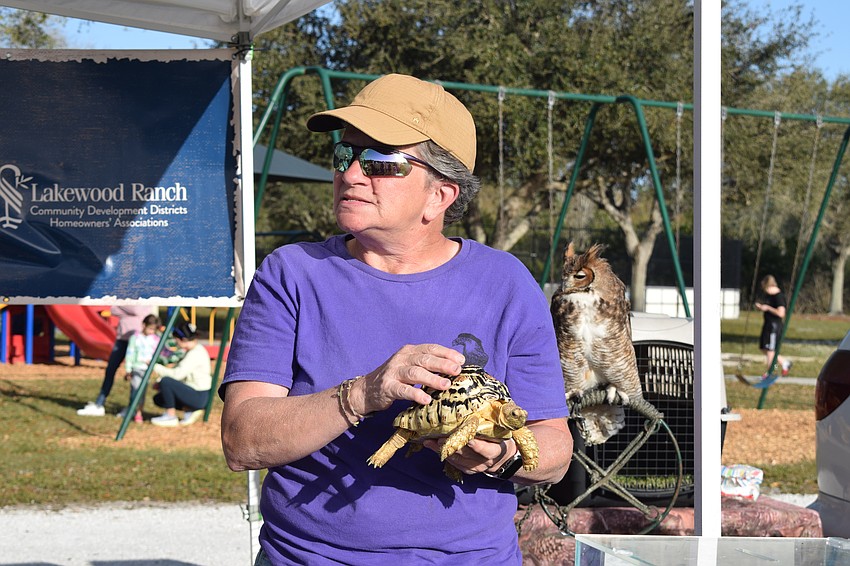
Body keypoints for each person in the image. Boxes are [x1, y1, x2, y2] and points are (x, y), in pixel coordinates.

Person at [219, 74, 573, 565]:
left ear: (440, 196)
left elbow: (555, 447)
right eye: (344, 156)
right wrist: (364, 393)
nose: (352, 173)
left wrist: (502, 456)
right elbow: (242, 440)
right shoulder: (292, 274)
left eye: (380, 161)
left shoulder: (506, 283)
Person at [77, 305, 158, 417]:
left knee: (136, 379)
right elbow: (113, 309)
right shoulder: (125, 295)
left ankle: (132, 408)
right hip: (122, 339)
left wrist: (123, 309)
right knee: (110, 370)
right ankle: (99, 404)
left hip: (138, 341)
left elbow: (136, 309)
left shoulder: (144, 295)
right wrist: (128, 310)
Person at [149, 322, 212, 427]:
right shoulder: (195, 350)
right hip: (197, 393)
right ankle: (190, 410)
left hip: (198, 396)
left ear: (183, 340)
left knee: (166, 381)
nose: (176, 343)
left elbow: (176, 375)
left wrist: (154, 366)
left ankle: (171, 416)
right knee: (159, 398)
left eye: (176, 340)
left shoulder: (195, 354)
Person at [119, 314, 161, 423]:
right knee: (135, 390)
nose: (152, 331)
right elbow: (130, 354)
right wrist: (128, 369)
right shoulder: (135, 338)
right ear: (144, 325)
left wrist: (154, 366)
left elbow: (158, 354)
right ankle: (132, 409)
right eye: (150, 328)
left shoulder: (156, 339)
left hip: (147, 369)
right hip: (137, 368)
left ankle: (138, 412)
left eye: (154, 329)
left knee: (142, 392)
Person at [754, 274, 792, 378]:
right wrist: (762, 307)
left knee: (771, 349)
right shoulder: (769, 296)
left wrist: (768, 308)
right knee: (764, 348)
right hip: (768, 324)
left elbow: (781, 313)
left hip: (774, 326)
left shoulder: (778, 296)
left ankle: (771, 371)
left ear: (769, 286)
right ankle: (785, 362)